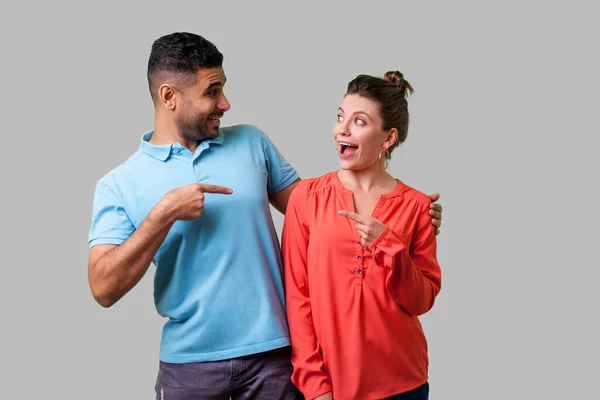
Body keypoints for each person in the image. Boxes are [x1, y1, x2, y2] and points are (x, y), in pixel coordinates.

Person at [87, 32, 443, 399]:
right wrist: (162, 215)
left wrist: (410, 214)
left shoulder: (251, 142)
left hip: (272, 359)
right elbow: (103, 288)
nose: (225, 103)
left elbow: (322, 213)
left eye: (223, 88)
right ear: (168, 96)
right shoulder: (118, 183)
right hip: (189, 364)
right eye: (212, 92)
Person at [282, 71, 441, 400]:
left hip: (404, 384)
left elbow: (421, 300)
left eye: (359, 121)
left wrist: (389, 244)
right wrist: (314, 384)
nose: (341, 128)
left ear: (388, 138)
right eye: (341, 117)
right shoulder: (306, 197)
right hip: (326, 386)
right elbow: (297, 298)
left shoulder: (417, 206)